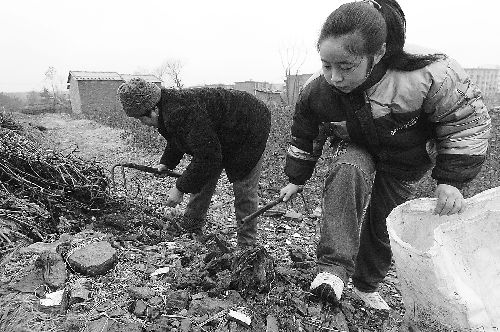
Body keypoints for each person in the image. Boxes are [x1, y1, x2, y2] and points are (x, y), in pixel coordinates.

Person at [280, 0, 491, 310]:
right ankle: (333, 271)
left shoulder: (429, 74)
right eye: (327, 65)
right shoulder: (318, 90)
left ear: (377, 54)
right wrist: (296, 177)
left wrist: (452, 180)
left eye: (346, 67)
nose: (334, 77)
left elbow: (465, 122)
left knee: (386, 219)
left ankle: (366, 284)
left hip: (406, 156)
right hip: (357, 144)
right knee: (347, 169)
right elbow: (304, 133)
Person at [117, 78, 271, 248]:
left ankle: (247, 246)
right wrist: (167, 162)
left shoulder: (181, 111)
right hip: (221, 130)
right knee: (203, 173)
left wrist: (179, 188)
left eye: (141, 119)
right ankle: (191, 226)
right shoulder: (166, 108)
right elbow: (178, 137)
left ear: (153, 110)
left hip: (250, 125)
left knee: (243, 188)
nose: (143, 124)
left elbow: (208, 156)